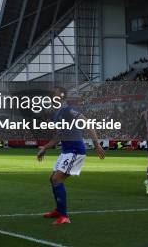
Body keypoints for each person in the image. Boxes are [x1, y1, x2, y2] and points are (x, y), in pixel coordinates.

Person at [37, 87, 105, 225]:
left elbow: (87, 124)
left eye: (55, 94)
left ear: (61, 97)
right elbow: (58, 137)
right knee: (52, 179)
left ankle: (64, 216)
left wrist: (96, 144)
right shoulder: (57, 115)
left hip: (75, 151)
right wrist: (45, 147)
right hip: (66, 152)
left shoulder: (68, 110)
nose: (52, 96)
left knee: (57, 179)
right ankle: (58, 210)